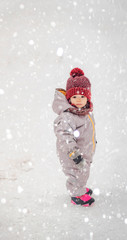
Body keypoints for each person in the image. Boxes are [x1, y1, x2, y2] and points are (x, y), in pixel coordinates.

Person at [52, 68, 96, 207]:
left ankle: (80, 187)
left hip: (84, 150)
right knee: (76, 173)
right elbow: (64, 135)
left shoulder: (85, 112)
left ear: (88, 98)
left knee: (83, 171)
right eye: (75, 97)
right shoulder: (68, 116)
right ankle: (76, 195)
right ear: (69, 98)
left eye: (82, 97)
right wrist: (74, 153)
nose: (78, 100)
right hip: (72, 153)